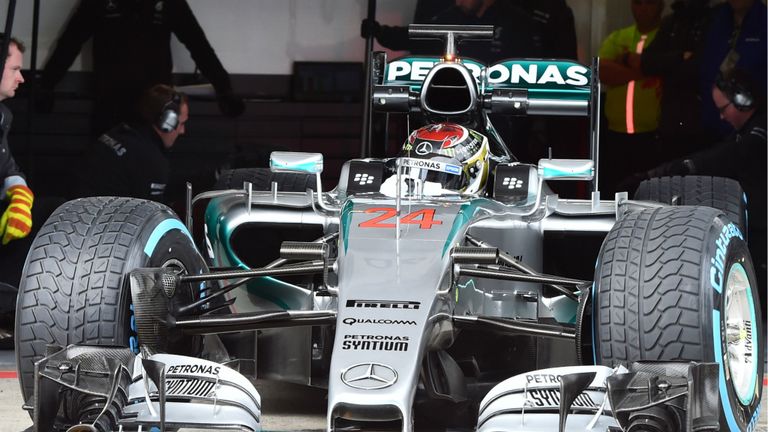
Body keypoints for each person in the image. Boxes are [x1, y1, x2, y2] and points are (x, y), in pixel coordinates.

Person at [624, 68, 766, 307]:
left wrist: (685, 167)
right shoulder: (746, 132)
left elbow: (732, 155)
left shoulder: (758, 133)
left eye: (723, 109)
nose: (722, 117)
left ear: (743, 100)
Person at [37, 0, 244, 135]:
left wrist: (224, 90)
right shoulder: (100, 2)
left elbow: (199, 46)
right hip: (110, 103)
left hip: (155, 106)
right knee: (106, 172)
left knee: (148, 171)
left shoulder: (168, 4)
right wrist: (47, 85)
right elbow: (70, 43)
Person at [597, 0, 665, 196]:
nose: (642, 8)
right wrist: (648, 72)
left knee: (649, 194)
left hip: (652, 135)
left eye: (648, 4)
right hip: (615, 134)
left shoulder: (665, 38)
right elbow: (602, 71)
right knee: (614, 191)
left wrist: (624, 66)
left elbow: (671, 68)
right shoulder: (618, 37)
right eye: (637, 3)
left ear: (660, 6)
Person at [84, 84, 189, 203]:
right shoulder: (151, 160)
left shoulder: (118, 132)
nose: (182, 131)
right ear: (166, 123)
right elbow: (152, 215)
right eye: (181, 124)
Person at [362, 0, 541, 64]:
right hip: (460, 102)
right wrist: (379, 31)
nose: (458, 1)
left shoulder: (517, 21)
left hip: (502, 107)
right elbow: (416, 37)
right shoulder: (453, 17)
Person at [640, 0, 713, 158]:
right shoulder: (672, 22)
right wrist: (679, 57)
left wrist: (670, 65)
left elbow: (699, 67)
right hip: (671, 120)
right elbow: (646, 62)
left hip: (703, 120)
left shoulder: (714, 19)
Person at [698, 0, 766, 140]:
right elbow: (704, 72)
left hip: (749, 133)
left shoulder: (764, 24)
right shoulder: (714, 21)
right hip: (709, 128)